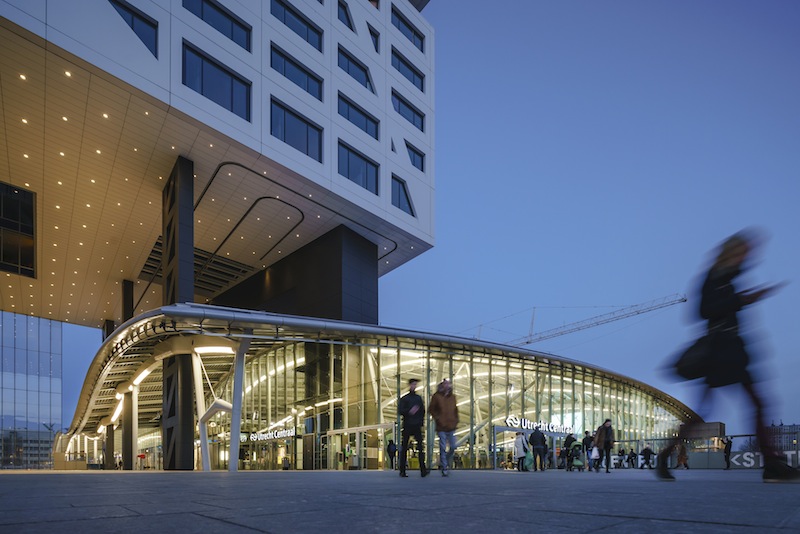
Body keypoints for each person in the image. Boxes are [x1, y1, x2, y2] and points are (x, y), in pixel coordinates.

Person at [658, 230, 800, 482]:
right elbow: (704, 311)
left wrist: (743, 298)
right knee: (734, 406)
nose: (746, 257)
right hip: (720, 353)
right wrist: (742, 299)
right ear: (730, 253)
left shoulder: (727, 278)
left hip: (732, 350)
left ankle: (771, 463)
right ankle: (771, 464)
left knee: (751, 404)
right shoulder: (714, 276)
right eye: (742, 252)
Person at [398, 378, 429, 478]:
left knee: (418, 447)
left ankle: (422, 470)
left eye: (415, 385)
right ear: (410, 385)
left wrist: (421, 422)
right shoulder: (406, 399)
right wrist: (410, 411)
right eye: (413, 384)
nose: (414, 386)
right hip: (409, 424)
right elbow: (400, 410)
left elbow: (422, 411)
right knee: (406, 448)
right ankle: (403, 470)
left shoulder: (417, 398)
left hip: (414, 425)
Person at [429, 378, 459, 476]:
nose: (447, 385)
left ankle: (444, 461)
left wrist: (456, 420)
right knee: (442, 447)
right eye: (445, 384)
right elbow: (431, 409)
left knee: (453, 447)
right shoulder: (436, 396)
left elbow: (455, 410)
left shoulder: (453, 397)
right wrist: (438, 418)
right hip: (441, 426)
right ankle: (444, 467)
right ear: (442, 385)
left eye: (448, 384)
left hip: (451, 426)